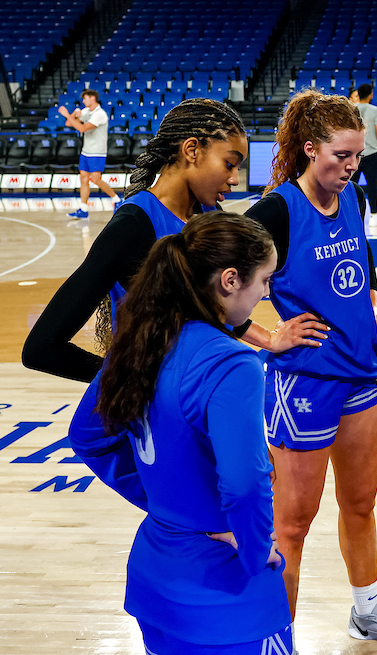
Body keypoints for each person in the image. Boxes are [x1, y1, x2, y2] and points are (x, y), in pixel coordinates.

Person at [242, 90, 377, 650]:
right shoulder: (274, 211)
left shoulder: (351, 196)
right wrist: (268, 337)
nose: (351, 166)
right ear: (308, 149)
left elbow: (361, 257)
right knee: (292, 526)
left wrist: (370, 301)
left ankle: (367, 611)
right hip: (303, 384)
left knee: (361, 505)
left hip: (362, 378)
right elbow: (210, 292)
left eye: (357, 156)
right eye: (341, 156)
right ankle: (277, 638)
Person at [68, 212, 291, 654]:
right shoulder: (232, 364)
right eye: (265, 279)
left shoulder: (141, 341)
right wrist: (253, 549)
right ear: (230, 280)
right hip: (223, 595)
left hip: (156, 576)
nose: (268, 292)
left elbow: (88, 436)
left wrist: (163, 501)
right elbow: (245, 485)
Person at [22, 99, 254, 382]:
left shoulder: (209, 212)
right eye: (229, 164)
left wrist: (270, 339)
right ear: (191, 150)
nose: (234, 178)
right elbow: (41, 348)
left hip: (196, 394)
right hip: (147, 418)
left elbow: (210, 309)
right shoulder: (133, 225)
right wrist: (134, 381)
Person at [61, 89, 118, 219]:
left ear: (93, 98)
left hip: (97, 152)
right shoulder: (86, 111)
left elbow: (82, 128)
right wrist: (74, 115)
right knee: (84, 179)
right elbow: (69, 123)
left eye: (85, 98)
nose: (83, 101)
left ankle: (116, 199)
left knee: (96, 179)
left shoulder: (100, 114)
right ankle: (83, 209)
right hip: (86, 151)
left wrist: (67, 114)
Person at [352, 82, 377, 220]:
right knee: (372, 186)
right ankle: (374, 215)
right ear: (370, 95)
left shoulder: (350, 108)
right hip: (372, 153)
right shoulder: (375, 110)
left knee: (350, 186)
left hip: (354, 154)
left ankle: (350, 214)